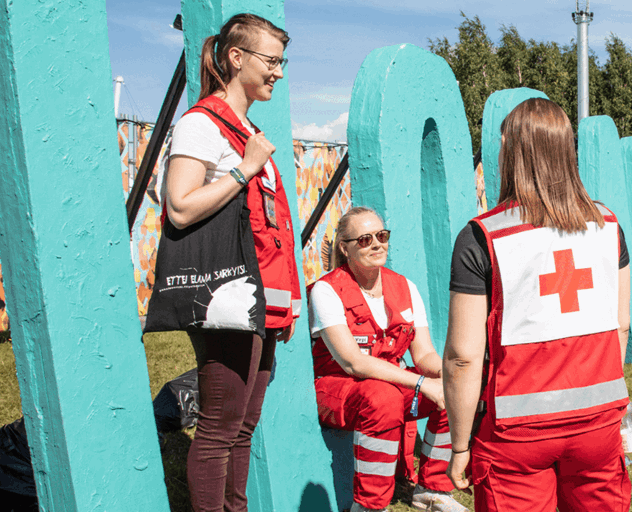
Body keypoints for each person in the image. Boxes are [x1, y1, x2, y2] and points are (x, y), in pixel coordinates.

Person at [441, 98, 632, 512]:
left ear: (509, 151)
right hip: (598, 423)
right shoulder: (607, 226)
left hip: (515, 433)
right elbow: (620, 326)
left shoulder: (480, 237)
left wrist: (458, 446)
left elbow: (462, 357)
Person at [159, 14, 300, 512]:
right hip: (226, 299)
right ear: (236, 58)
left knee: (243, 427)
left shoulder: (248, 129)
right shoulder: (202, 123)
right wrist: (245, 168)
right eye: (271, 61)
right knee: (220, 428)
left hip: (257, 303)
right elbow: (179, 206)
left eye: (283, 62)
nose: (279, 72)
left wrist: (286, 301)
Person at [309, 207, 466, 512]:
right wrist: (421, 383)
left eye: (381, 236)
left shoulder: (405, 287)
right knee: (382, 399)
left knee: (453, 388)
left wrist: (450, 376)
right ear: (345, 247)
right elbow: (353, 362)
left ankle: (431, 489)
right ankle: (369, 505)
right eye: (365, 240)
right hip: (336, 388)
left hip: (391, 382)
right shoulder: (328, 290)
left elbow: (423, 354)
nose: (377, 244)